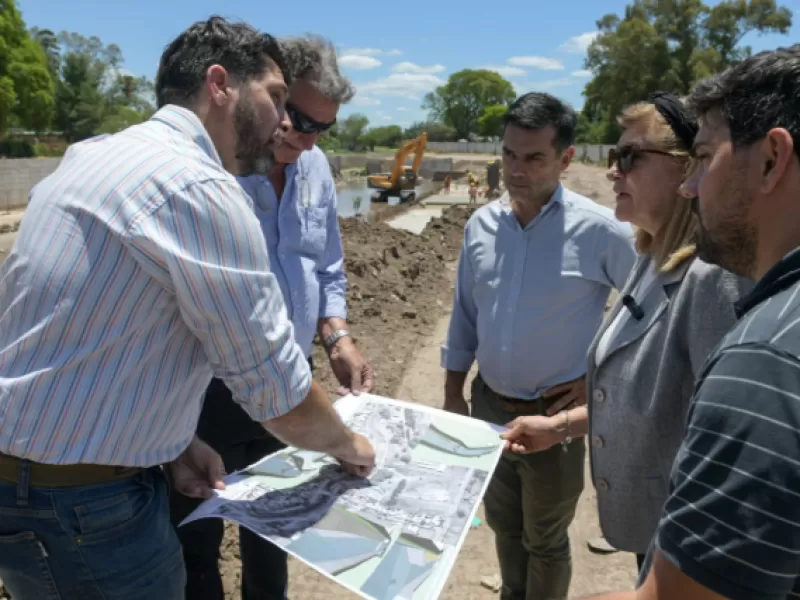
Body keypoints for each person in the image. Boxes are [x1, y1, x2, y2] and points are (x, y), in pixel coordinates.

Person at [0, 17, 375, 600]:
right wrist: (352, 444)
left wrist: (171, 442)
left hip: (39, 484)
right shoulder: (199, 185)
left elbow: (96, 338)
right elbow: (275, 388)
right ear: (220, 84)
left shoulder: (95, 157)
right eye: (279, 101)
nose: (284, 124)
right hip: (88, 506)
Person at [571, 44, 800, 600]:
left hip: (686, 546)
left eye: (701, 158)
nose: (691, 186)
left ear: (771, 160)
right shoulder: (649, 257)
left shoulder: (748, 328)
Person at [498, 93, 751, 573]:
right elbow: (651, 397)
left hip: (685, 546)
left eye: (630, 157)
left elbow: (724, 453)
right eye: (615, 157)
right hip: (654, 533)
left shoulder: (712, 279)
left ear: (686, 168)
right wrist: (560, 427)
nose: (613, 171)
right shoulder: (652, 258)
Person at [168, 34, 372, 600]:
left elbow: (327, 263)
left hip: (288, 379)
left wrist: (337, 335)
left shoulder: (315, 169)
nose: (304, 139)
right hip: (201, 390)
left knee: (277, 532)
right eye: (297, 118)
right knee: (195, 539)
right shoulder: (215, 170)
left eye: (320, 130)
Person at [441, 91, 637, 600]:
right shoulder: (481, 226)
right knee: (505, 527)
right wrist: (450, 394)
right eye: (509, 154)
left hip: (555, 420)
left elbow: (652, 316)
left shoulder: (601, 231)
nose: (516, 169)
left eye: (533, 158)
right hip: (489, 408)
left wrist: (599, 381)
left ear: (566, 158)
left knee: (545, 540)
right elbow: (464, 316)